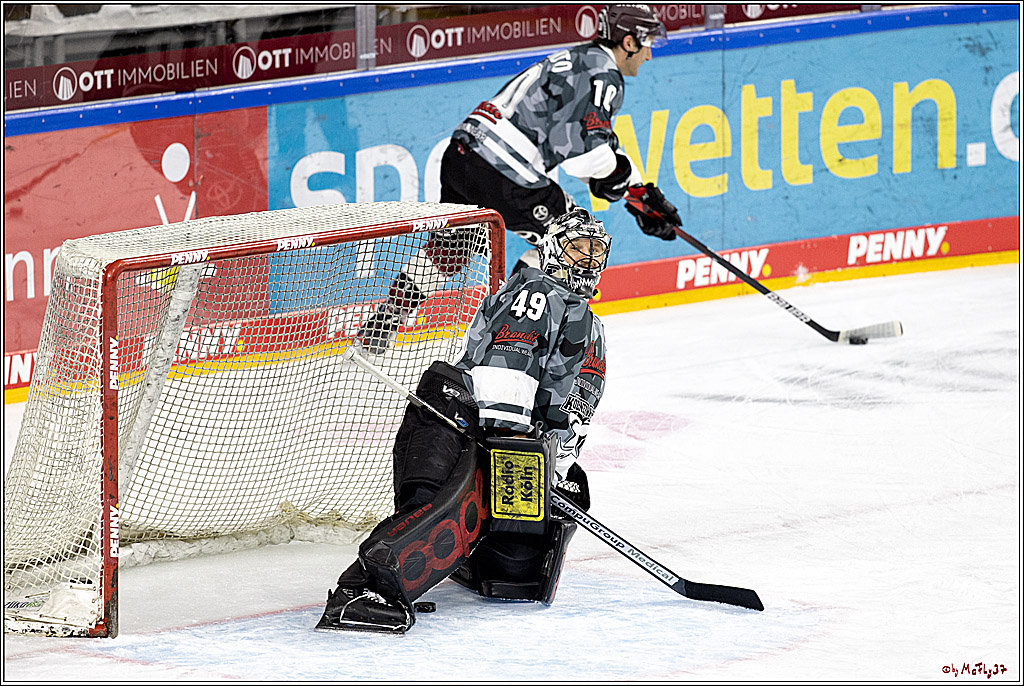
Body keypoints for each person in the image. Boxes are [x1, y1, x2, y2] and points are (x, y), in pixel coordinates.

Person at [317, 207, 611, 634]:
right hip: (461, 417)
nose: (587, 258)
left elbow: (572, 409)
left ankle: (467, 563)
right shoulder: (537, 293)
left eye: (595, 249)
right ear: (552, 251)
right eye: (576, 248)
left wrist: (558, 467)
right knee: (439, 514)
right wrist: (512, 447)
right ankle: (359, 592)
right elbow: (505, 369)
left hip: (502, 433)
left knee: (518, 565)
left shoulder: (587, 323)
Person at [356, 4, 682, 354]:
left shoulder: (579, 59)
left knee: (452, 249)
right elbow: (584, 158)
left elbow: (597, 145)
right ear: (628, 42)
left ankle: (382, 324)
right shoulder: (605, 75)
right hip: (504, 170)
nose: (649, 55)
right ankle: (501, 337)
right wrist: (617, 179)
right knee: (575, 243)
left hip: (463, 155)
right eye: (647, 44)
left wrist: (637, 191)